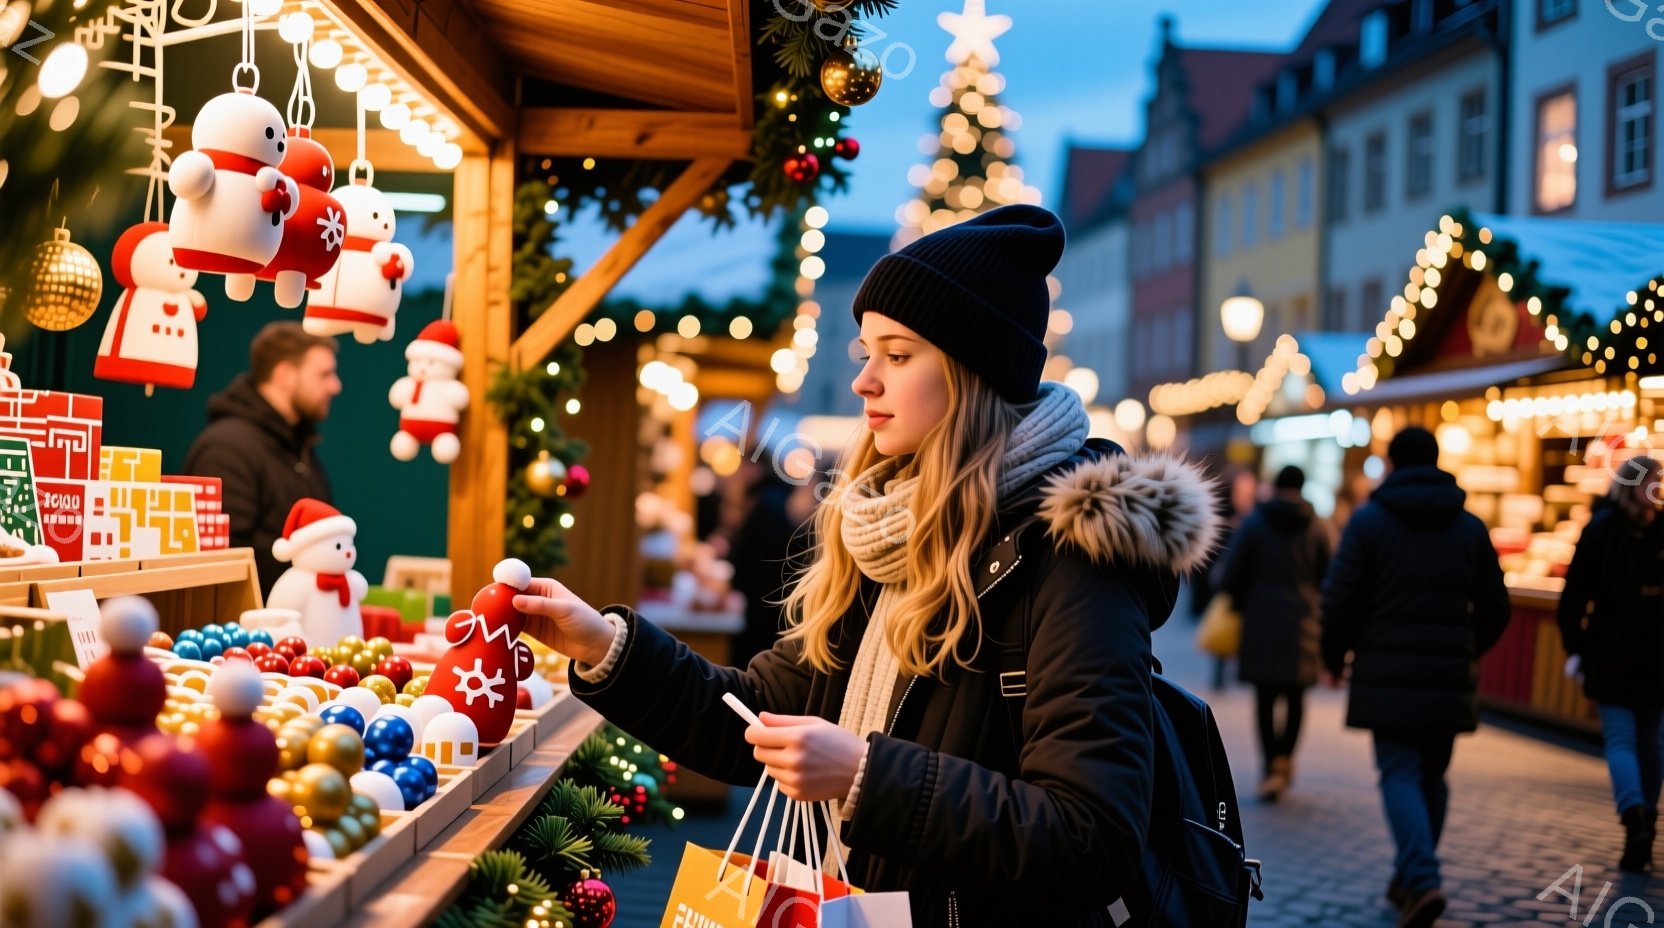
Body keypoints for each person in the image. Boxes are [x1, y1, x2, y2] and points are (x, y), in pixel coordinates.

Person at [512, 204, 1221, 926]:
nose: (864, 382)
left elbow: (1090, 835)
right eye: (865, 353)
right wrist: (606, 646)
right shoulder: (883, 529)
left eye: (898, 355)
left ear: (971, 372)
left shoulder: (1072, 556)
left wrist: (864, 774)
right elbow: (755, 718)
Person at [1320, 426, 1510, 928]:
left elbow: (1338, 600)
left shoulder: (1369, 523)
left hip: (1386, 673)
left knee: (1399, 772)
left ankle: (1422, 878)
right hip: (1448, 675)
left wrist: (1334, 657)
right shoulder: (1469, 527)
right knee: (1431, 777)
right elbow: (1497, 606)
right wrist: (1466, 649)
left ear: (1393, 464)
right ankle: (1410, 875)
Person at [1557, 455, 1664, 872]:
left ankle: (1634, 819)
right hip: (1653, 655)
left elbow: (1573, 596)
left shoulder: (1601, 528)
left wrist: (1577, 647)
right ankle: (1646, 823)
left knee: (1621, 741)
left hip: (1610, 652)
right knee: (1651, 742)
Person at [184, 322, 341, 595]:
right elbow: (223, 570)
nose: (335, 386)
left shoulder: (300, 447)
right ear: (285, 375)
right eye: (324, 374)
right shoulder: (227, 449)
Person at [1218, 464, 1331, 802]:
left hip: (1261, 618)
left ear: (1276, 485)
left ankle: (1269, 767)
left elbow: (1232, 574)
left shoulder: (1254, 523)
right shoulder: (1318, 526)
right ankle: (1284, 761)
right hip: (1304, 621)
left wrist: (1240, 603)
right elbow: (1331, 574)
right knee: (1296, 696)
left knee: (1265, 697)